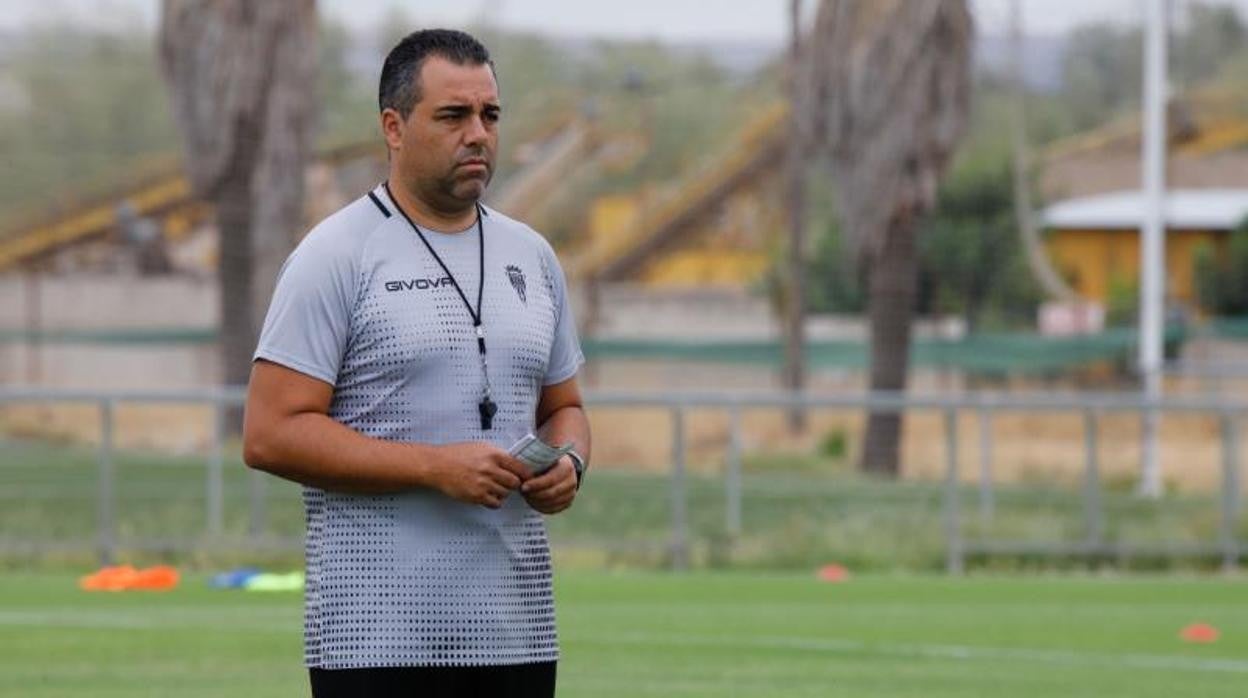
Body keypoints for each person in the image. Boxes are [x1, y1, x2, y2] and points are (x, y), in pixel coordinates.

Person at [242, 28, 589, 698]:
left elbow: (564, 407)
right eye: (453, 116)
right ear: (394, 127)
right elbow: (269, 434)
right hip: (374, 639)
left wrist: (570, 461)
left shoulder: (533, 256)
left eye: (490, 115)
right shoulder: (336, 254)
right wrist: (435, 467)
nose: (478, 134)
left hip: (515, 634)